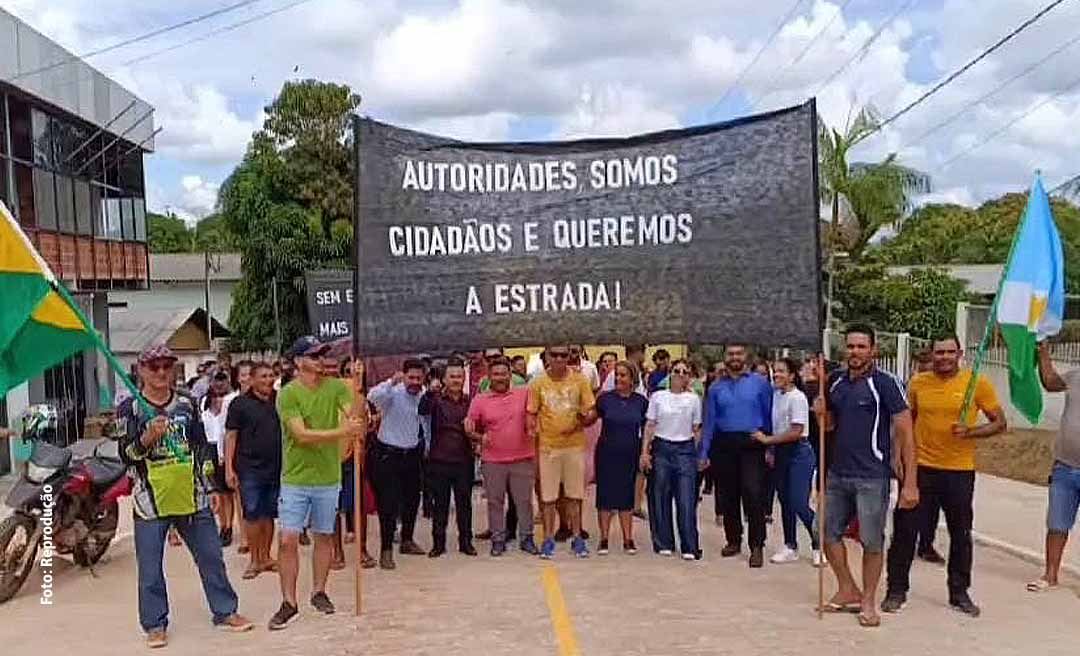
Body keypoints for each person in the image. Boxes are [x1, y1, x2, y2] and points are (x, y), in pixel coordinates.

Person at [119, 345, 253, 648]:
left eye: (167, 365)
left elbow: (201, 446)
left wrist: (211, 486)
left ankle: (225, 610)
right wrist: (146, 438)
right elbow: (126, 455)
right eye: (154, 367)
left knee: (210, 557)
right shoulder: (131, 409)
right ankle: (155, 623)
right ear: (141, 370)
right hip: (150, 500)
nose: (162, 372)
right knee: (150, 568)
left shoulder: (186, 404)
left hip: (192, 496)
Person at [883, 335, 1005, 617]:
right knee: (904, 532)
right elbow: (905, 423)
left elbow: (1000, 422)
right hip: (921, 468)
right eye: (940, 352)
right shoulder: (918, 383)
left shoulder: (977, 383)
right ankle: (896, 590)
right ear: (932, 354)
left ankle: (959, 592)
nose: (945, 357)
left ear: (960, 354)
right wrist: (896, 455)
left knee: (960, 534)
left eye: (951, 352)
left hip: (959, 471)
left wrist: (971, 432)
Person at [819, 324, 916, 628]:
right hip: (837, 474)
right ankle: (847, 587)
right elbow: (830, 426)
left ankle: (868, 600)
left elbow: (906, 431)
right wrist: (820, 412)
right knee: (823, 531)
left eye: (861, 347)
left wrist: (910, 482)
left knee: (872, 540)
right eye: (850, 346)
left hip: (873, 476)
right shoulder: (834, 382)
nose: (855, 352)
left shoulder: (886, 384)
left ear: (874, 350)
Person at [269, 337, 366, 630]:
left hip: (328, 477)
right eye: (314, 356)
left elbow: (355, 415)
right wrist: (342, 431)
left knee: (324, 536)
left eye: (323, 354)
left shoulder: (337, 387)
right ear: (298, 362)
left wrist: (358, 385)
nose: (321, 360)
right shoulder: (288, 395)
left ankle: (319, 591)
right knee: (287, 540)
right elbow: (301, 435)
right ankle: (289, 601)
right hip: (296, 479)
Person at [700, 344, 773, 567]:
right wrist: (704, 452)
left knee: (753, 493)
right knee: (727, 494)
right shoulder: (715, 388)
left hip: (752, 443)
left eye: (739, 353)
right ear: (725, 358)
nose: (735, 357)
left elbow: (769, 414)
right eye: (730, 354)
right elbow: (709, 421)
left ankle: (757, 545)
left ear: (746, 356)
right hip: (724, 443)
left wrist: (771, 446)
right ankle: (733, 540)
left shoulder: (760, 384)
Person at [528, 345, 597, 559]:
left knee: (574, 496)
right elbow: (531, 412)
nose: (559, 359)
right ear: (546, 356)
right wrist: (533, 432)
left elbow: (592, 410)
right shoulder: (538, 382)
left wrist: (586, 419)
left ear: (570, 356)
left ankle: (577, 538)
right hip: (548, 447)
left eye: (563, 355)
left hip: (574, 446)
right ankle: (548, 539)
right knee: (548, 498)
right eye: (554, 355)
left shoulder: (579, 380)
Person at [466, 357, 539, 556]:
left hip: (522, 457)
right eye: (496, 374)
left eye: (504, 373)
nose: (500, 377)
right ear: (489, 377)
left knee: (524, 501)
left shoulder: (524, 394)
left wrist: (534, 426)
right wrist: (478, 436)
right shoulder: (480, 399)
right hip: (493, 460)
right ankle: (498, 539)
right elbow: (470, 427)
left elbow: (536, 414)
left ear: (511, 376)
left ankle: (527, 538)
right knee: (495, 501)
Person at [754, 358, 819, 566]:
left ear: (792, 375)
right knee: (784, 501)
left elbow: (796, 430)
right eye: (775, 371)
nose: (777, 375)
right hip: (780, 451)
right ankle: (790, 545)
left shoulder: (797, 397)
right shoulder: (776, 396)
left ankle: (819, 543)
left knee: (799, 501)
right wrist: (772, 449)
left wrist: (767, 441)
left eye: (782, 371)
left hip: (799, 451)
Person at [1028, 342, 1080, 593]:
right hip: (1065, 466)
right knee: (1057, 523)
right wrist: (1043, 354)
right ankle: (1050, 575)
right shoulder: (1075, 376)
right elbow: (1049, 382)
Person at [367, 358, 428, 569]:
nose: (414, 381)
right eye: (411, 377)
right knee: (388, 505)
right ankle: (386, 550)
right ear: (404, 375)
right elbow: (372, 396)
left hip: (412, 455)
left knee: (412, 500)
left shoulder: (423, 395)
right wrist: (390, 382)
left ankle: (407, 540)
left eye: (419, 378)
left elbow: (425, 424)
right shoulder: (392, 393)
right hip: (388, 455)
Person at [224, 362, 283, 579]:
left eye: (271, 376)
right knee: (252, 514)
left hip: (276, 466)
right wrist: (229, 468)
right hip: (249, 468)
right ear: (253, 379)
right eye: (263, 376)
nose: (268, 380)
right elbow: (231, 436)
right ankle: (255, 560)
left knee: (269, 514)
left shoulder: (280, 400)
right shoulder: (239, 404)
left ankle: (267, 557)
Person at [641, 359, 703, 560]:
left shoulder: (694, 400)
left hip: (684, 449)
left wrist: (698, 454)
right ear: (670, 373)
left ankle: (689, 545)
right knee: (659, 496)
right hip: (661, 447)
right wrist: (645, 452)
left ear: (690, 376)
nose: (681, 374)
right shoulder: (658, 396)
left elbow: (697, 429)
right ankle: (663, 542)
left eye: (685, 371)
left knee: (686, 499)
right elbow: (650, 425)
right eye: (677, 370)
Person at [419, 357, 477, 557]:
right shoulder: (435, 400)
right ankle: (438, 543)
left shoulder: (471, 401)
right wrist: (429, 391)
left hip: (464, 459)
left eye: (459, 376)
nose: (456, 380)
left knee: (464, 504)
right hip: (439, 460)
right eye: (452, 376)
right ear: (444, 379)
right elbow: (422, 409)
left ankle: (466, 542)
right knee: (440, 505)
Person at [594, 361, 650, 555]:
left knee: (627, 496)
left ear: (633, 379)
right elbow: (590, 417)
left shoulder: (641, 402)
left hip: (630, 452)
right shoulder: (605, 399)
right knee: (605, 495)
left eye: (623, 375)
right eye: (617, 375)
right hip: (606, 452)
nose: (619, 378)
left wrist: (645, 452)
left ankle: (628, 539)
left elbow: (647, 429)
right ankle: (604, 539)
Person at [201, 367, 238, 545]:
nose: (219, 383)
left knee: (227, 493)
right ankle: (221, 524)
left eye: (222, 379)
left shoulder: (232, 400)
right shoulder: (204, 403)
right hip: (209, 448)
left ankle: (228, 526)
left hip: (224, 446)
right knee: (216, 491)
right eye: (216, 379)